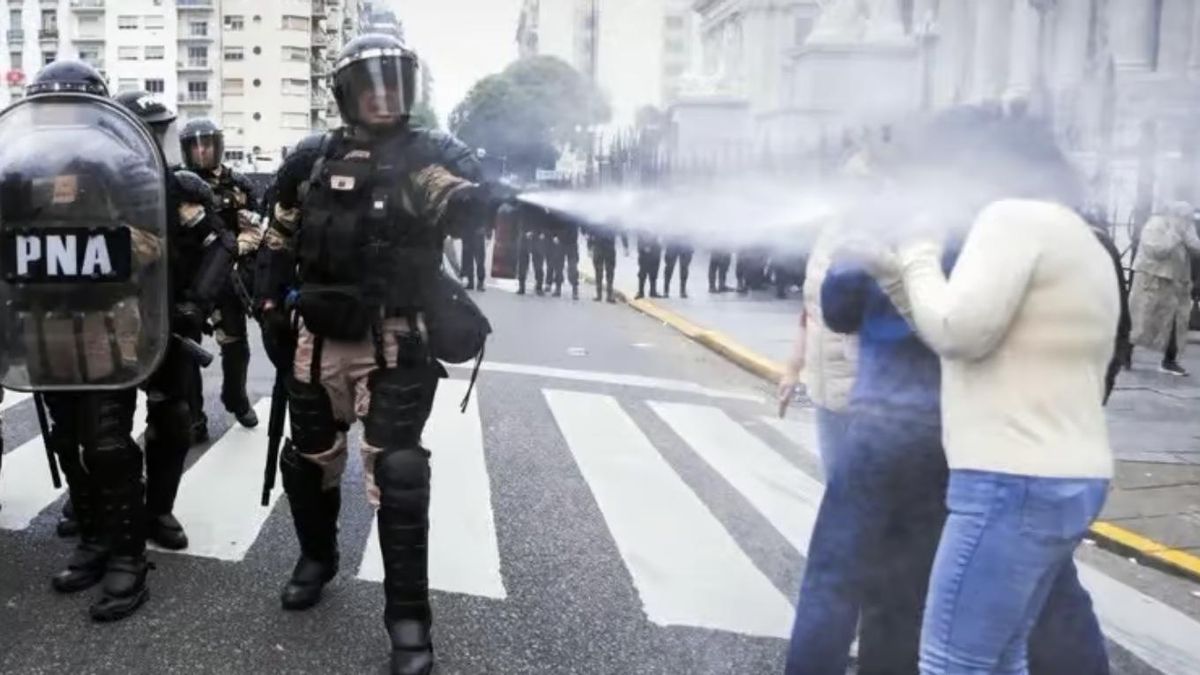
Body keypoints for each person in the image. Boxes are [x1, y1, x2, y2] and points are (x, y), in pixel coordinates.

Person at [254, 34, 494, 675]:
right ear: (348, 94)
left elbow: (456, 196)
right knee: (307, 461)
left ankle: (409, 622)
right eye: (371, 83)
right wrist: (269, 304)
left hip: (395, 340)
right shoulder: (309, 158)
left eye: (395, 82)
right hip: (317, 340)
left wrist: (477, 202)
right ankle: (317, 557)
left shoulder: (428, 158)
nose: (384, 94)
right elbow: (275, 232)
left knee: (401, 474)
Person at [868, 111, 1115, 675]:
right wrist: (892, 274)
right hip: (1065, 475)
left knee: (951, 662)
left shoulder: (1010, 219)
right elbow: (972, 337)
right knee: (1003, 658)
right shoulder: (1071, 229)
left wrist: (916, 251)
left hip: (1009, 478)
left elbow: (957, 333)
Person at [0, 62, 181, 620]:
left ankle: (128, 556)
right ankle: (95, 540)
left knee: (105, 442)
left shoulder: (126, 164)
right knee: (65, 437)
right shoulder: (13, 170)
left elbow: (156, 237)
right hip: (45, 322)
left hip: (107, 320)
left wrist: (95, 249)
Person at [180, 117, 262, 429]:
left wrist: (238, 250)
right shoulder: (175, 184)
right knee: (185, 352)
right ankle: (194, 416)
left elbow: (255, 228)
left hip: (226, 278)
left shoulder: (238, 184)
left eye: (208, 143)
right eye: (195, 145)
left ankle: (236, 399)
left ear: (219, 145)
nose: (202, 150)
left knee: (236, 346)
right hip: (187, 280)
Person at [1129, 201, 1200, 375]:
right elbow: (1157, 250)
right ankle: (1125, 354)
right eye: (1184, 217)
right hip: (1152, 281)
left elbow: (1195, 246)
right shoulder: (1155, 225)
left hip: (1177, 282)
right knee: (1141, 320)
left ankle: (1169, 360)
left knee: (1177, 322)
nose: (1186, 221)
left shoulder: (1185, 226)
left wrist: (1188, 234)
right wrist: (1175, 234)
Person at [586, 219, 623, 303]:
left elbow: (620, 230)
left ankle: (604, 295)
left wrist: (589, 247)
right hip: (601, 247)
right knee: (601, 271)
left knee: (607, 272)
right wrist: (589, 247)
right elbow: (590, 233)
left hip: (605, 247)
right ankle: (603, 295)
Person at [516, 201, 548, 295]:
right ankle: (527, 286)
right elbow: (520, 219)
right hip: (530, 236)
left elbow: (544, 222)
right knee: (527, 263)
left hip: (534, 237)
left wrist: (533, 231)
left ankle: (534, 286)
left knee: (535, 264)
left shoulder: (524, 205)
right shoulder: (535, 206)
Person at [635, 232, 663, 299]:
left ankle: (653, 291)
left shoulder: (657, 229)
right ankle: (641, 292)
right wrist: (643, 247)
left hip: (655, 255)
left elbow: (660, 241)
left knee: (654, 274)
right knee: (642, 274)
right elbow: (640, 240)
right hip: (644, 255)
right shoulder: (642, 230)